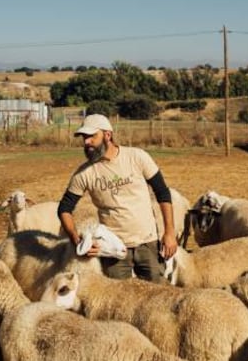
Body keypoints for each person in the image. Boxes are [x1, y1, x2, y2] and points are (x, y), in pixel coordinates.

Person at [57, 113, 178, 283]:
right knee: (119, 302)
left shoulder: (137, 157)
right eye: (84, 137)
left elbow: (162, 193)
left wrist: (170, 232)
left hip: (148, 242)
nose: (86, 142)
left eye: (92, 136)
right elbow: (64, 209)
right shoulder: (84, 174)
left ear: (108, 135)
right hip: (113, 249)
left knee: (158, 297)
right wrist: (77, 241)